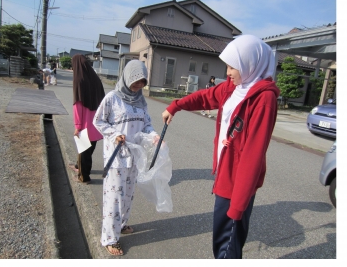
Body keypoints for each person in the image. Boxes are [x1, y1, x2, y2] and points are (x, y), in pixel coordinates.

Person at [162, 34, 280, 259]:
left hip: (237, 183)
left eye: (232, 67)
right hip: (225, 175)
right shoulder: (235, 87)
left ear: (250, 64)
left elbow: (253, 155)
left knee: (227, 246)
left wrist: (237, 206)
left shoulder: (264, 99)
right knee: (222, 241)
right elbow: (205, 97)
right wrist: (175, 106)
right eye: (227, 66)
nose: (227, 72)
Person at [93, 60, 160, 256]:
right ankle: (109, 238)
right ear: (127, 77)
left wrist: (154, 135)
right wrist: (114, 135)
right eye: (136, 81)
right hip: (116, 157)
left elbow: (146, 123)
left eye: (142, 82)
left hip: (134, 156)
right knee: (114, 198)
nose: (139, 85)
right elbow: (98, 120)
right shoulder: (112, 98)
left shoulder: (141, 100)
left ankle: (121, 224)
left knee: (128, 195)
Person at [70, 54, 105, 184]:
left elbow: (78, 105)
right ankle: (79, 167)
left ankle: (84, 177)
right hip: (96, 124)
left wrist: (78, 125)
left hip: (84, 124)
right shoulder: (96, 79)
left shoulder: (79, 80)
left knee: (84, 152)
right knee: (88, 151)